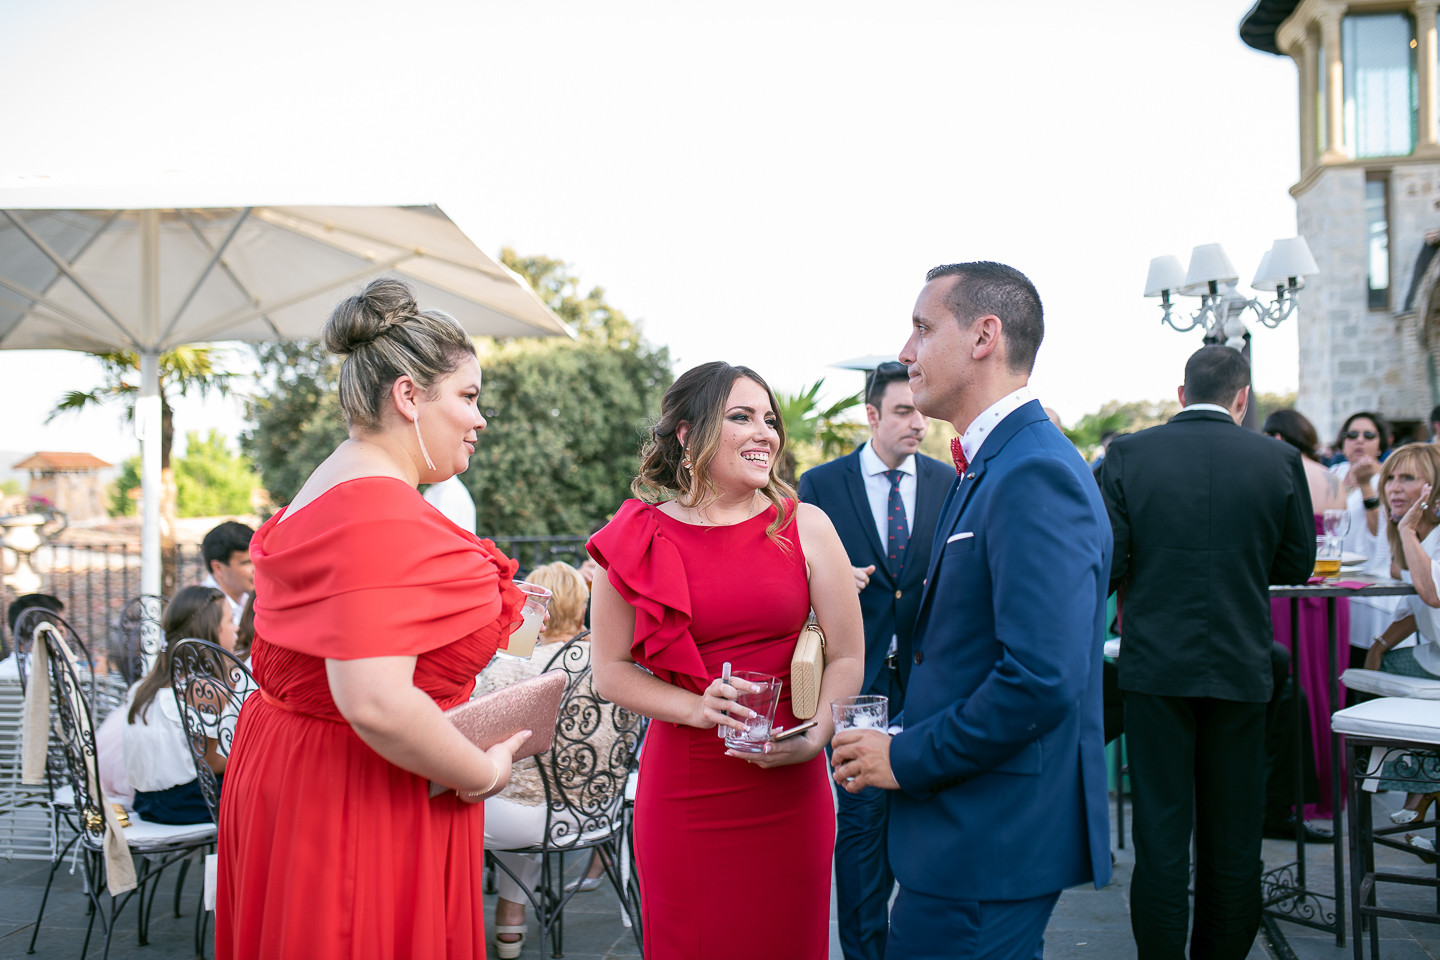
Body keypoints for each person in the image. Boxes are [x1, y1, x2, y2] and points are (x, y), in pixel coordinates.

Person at [216, 277, 533, 960]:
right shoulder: (378, 510)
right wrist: (485, 772)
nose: (480, 419)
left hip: (295, 769)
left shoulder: (324, 487)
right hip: (358, 794)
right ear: (408, 396)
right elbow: (378, 701)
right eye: (468, 396)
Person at [831, 262, 1113, 960]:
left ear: (984, 336)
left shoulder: (1033, 471)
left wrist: (906, 754)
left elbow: (1041, 678)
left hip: (988, 837)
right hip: (963, 832)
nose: (905, 351)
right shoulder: (991, 463)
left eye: (923, 328)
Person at [587, 360, 864, 960]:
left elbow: (847, 654)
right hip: (686, 791)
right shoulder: (635, 534)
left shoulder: (806, 527)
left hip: (789, 789)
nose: (764, 432)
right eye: (741, 417)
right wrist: (694, 706)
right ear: (688, 435)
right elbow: (608, 670)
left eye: (769, 419)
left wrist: (817, 734)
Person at [1098, 345, 1315, 960]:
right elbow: (1296, 563)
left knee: (1162, 838)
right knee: (1234, 837)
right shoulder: (1279, 458)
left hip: (1155, 667)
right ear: (1242, 400)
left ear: (1180, 394)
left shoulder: (1129, 455)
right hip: (1241, 665)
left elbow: (1110, 563)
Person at [796, 359, 951, 960]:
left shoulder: (945, 482)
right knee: (860, 832)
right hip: (856, 684)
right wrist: (832, 584)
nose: (918, 423)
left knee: (926, 826)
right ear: (872, 415)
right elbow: (796, 580)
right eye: (904, 411)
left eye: (920, 411)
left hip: (928, 681)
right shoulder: (822, 485)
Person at [476, 561, 610, 959]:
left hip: (526, 819)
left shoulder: (515, 667)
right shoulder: (611, 665)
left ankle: (493, 919)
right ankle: (511, 921)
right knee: (533, 788)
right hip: (596, 814)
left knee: (491, 788)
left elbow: (472, 735)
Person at [1261, 408, 1349, 830]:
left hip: (1284, 589)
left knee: (1283, 687)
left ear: (1277, 438)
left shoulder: (1276, 471)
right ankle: (1324, 790)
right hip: (1329, 592)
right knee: (1324, 685)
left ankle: (1281, 792)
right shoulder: (1332, 478)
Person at [1362, 442, 1440, 855]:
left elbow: (1429, 593)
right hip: (1436, 659)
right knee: (1382, 669)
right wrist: (1377, 646)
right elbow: (1412, 606)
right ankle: (1420, 788)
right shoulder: (1420, 540)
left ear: (1434, 490)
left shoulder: (1430, 536)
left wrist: (1408, 529)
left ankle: (1422, 789)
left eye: (1407, 478)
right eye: (1390, 477)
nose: (1393, 487)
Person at [123, 585, 236, 824]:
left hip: (144, 801)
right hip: (186, 803)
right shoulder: (203, 689)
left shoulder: (144, 687)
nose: (236, 629)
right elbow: (212, 763)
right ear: (212, 630)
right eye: (231, 620)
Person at [1331, 411, 1399, 664]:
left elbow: (1379, 531)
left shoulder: (1390, 478)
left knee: (1364, 667)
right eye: (1352, 435)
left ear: (1381, 443)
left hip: (1372, 588)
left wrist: (1366, 484)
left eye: (1368, 435)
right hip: (1336, 587)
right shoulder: (1334, 473)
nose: (1359, 440)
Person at [200, 520, 255, 628]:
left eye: (257, 560)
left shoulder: (250, 599)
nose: (256, 569)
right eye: (246, 562)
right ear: (218, 568)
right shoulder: (201, 610)